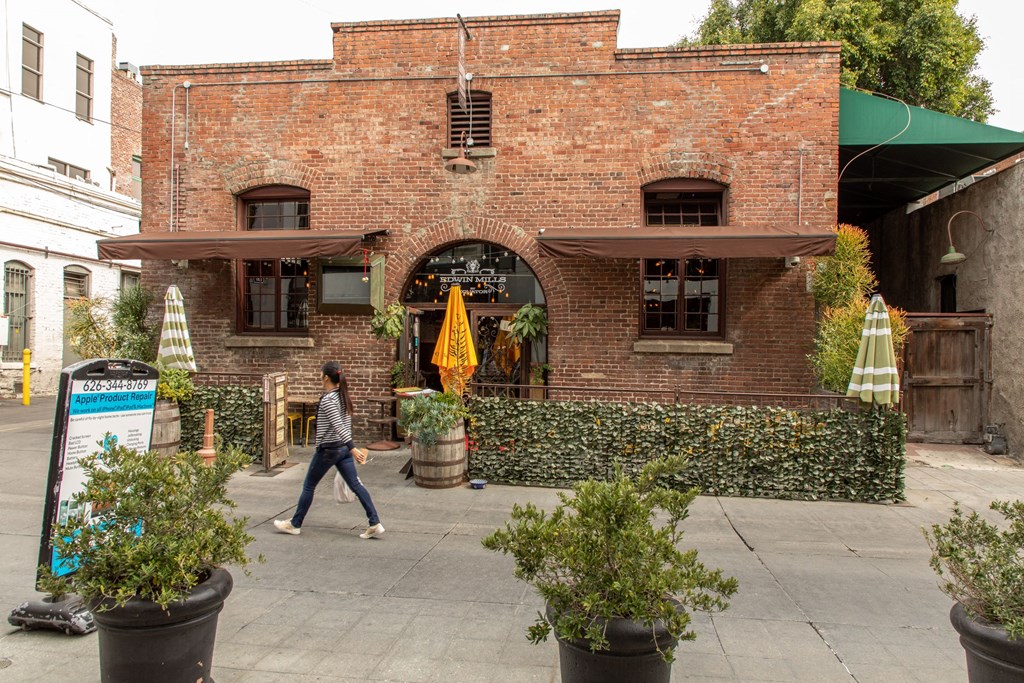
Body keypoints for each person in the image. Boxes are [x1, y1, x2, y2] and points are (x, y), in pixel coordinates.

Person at [274, 361, 384, 539]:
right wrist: (349, 447)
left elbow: (338, 425)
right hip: (342, 450)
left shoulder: (329, 400)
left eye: (320, 374)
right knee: (356, 485)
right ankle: (374, 522)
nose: (320, 377)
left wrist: (353, 448)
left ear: (326, 377)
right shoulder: (343, 396)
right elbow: (345, 424)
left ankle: (295, 524)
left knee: (309, 486)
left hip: (329, 449)